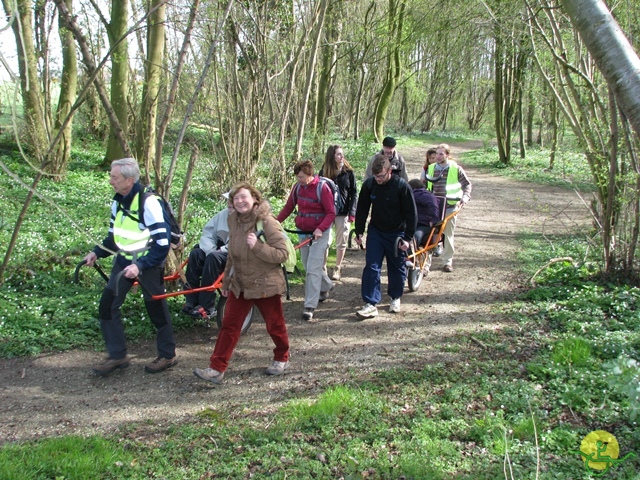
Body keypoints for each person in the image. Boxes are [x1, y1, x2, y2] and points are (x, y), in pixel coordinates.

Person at [83, 158, 177, 376]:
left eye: (114, 177)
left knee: (155, 308)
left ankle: (168, 354)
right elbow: (114, 238)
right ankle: (117, 356)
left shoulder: (148, 202)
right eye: (111, 176)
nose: (110, 181)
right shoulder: (118, 202)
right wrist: (96, 253)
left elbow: (162, 244)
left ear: (130, 179)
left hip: (149, 263)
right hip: (124, 261)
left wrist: (141, 265)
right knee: (107, 306)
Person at [193, 182, 291, 385]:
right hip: (241, 284)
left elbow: (282, 254)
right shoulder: (233, 221)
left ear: (254, 198)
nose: (239, 201)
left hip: (265, 285)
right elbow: (232, 255)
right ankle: (216, 369)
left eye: (243, 197)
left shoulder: (267, 222)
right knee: (229, 326)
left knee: (274, 325)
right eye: (235, 198)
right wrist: (226, 281)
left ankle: (282, 357)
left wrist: (258, 246)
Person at [354, 155, 417, 318]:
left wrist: (408, 238)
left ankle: (395, 297)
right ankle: (370, 302)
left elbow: (411, 214)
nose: (378, 179)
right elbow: (362, 208)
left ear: (390, 171)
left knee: (396, 266)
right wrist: (359, 230)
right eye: (376, 176)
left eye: (381, 176)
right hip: (376, 230)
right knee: (372, 266)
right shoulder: (370, 184)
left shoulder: (401, 186)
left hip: (397, 233)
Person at [277, 160, 336, 321]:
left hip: (319, 234)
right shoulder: (297, 188)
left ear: (310, 175)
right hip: (303, 233)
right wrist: (275, 222)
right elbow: (289, 207)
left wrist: (320, 229)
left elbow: (331, 213)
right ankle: (326, 286)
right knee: (309, 264)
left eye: (302, 177)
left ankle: (309, 306)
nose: (299, 180)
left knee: (312, 268)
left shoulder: (322, 189)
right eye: (297, 177)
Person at [182, 192, 233, 319]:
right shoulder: (222, 215)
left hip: (235, 255)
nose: (230, 203)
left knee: (213, 258)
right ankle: (191, 300)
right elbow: (208, 233)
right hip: (217, 251)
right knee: (196, 254)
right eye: (229, 200)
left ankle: (207, 306)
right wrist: (210, 248)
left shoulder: (247, 218)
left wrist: (221, 250)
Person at [425, 143, 472, 272]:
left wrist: (466, 197)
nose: (438, 156)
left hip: (450, 206)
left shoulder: (456, 169)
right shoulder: (431, 168)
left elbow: (467, 185)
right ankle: (425, 265)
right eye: (437, 153)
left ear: (447, 155)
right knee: (430, 235)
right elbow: (425, 187)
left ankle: (447, 262)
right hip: (434, 207)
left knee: (447, 235)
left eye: (441, 154)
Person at [319, 145, 357, 281]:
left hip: (343, 212)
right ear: (332, 156)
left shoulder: (349, 172)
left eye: (342, 154)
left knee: (341, 241)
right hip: (327, 212)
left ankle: (337, 267)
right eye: (339, 154)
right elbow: (318, 192)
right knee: (325, 241)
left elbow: (354, 193)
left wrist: (352, 213)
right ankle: (322, 269)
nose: (342, 157)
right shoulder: (323, 172)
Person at [408, 179, 440, 249]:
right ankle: (409, 252)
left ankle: (407, 252)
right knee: (416, 235)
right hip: (424, 224)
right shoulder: (429, 196)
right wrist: (433, 220)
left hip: (416, 224)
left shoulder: (411, 195)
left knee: (414, 235)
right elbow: (433, 206)